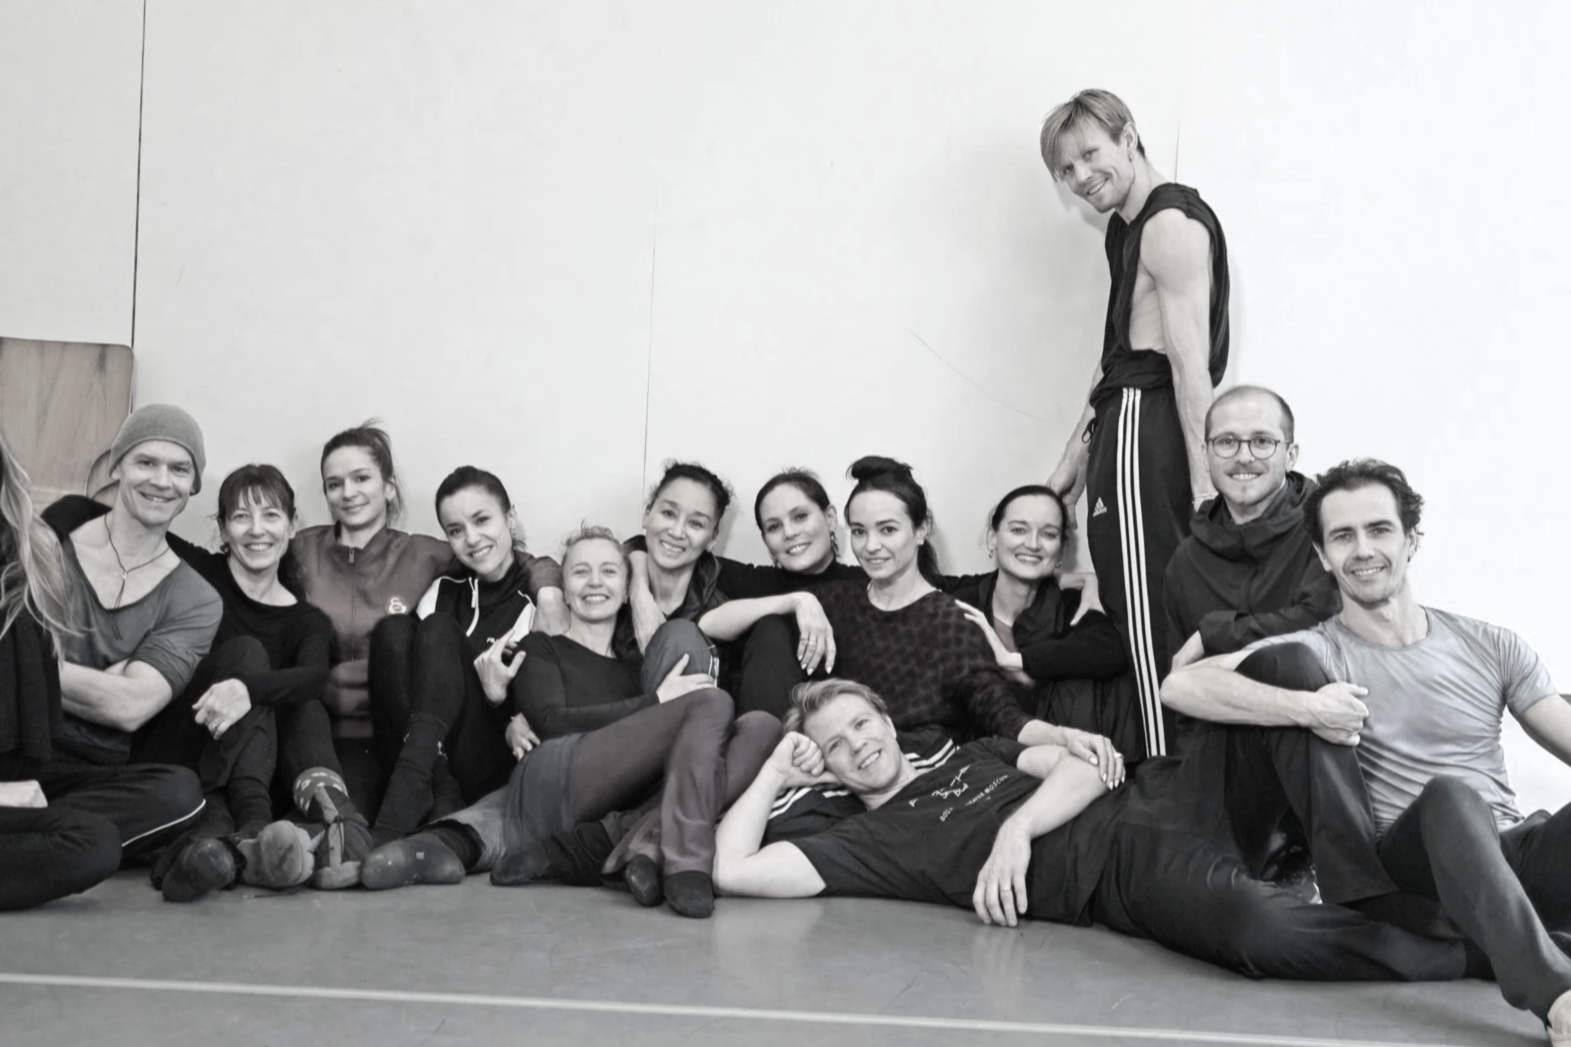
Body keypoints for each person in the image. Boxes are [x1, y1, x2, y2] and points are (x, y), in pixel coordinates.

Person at [713, 680, 1571, 1039]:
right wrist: (772, 767)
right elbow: (733, 870)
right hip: (1119, 865)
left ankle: (1363, 869)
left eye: (862, 724)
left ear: (886, 722)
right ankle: (1481, 941)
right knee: (1255, 932)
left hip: (1165, 792)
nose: (857, 745)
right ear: (819, 761)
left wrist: (1013, 832)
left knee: (1285, 683)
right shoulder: (858, 842)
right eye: (833, 743)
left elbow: (1086, 765)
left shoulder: (966, 753)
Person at [1163, 458, 1571, 1028]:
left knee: (1488, 811)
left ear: (1411, 541)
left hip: (1514, 853)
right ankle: (1557, 998)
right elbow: (1180, 685)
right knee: (1452, 797)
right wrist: (1307, 707)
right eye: (1342, 536)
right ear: (1323, 556)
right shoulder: (1320, 649)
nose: (1363, 550)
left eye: (1379, 530)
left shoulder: (1491, 644)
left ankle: (1517, 939)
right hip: (1417, 866)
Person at [361, 526, 781, 919]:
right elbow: (552, 723)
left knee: (761, 727)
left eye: (609, 571)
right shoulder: (542, 647)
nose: (595, 582)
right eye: (581, 572)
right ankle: (683, 860)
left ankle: (636, 841)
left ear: (626, 590)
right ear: (564, 587)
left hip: (604, 813)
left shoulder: (642, 668)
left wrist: (658, 700)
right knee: (710, 701)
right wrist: (657, 703)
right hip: (551, 777)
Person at [701, 457, 1122, 768]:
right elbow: (709, 623)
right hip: (830, 768)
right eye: (861, 532)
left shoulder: (950, 618)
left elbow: (999, 712)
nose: (871, 546)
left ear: (921, 530)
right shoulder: (839, 599)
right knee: (768, 641)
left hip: (913, 778)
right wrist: (796, 600)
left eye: (887, 530)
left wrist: (1064, 737)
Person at [1039, 88, 1230, 759]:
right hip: (1125, 422)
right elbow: (1113, 356)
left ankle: (1169, 773)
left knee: (1150, 607)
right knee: (1139, 602)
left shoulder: (1166, 224)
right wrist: (1070, 455)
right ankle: (1175, 767)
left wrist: (1209, 487)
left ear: (1129, 136)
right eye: (1065, 170)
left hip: (1144, 429)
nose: (1080, 176)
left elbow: (1187, 366)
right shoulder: (1126, 226)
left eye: (1089, 154)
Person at [292, 423, 566, 814]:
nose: (348, 492)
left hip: (396, 726)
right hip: (331, 724)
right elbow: (242, 561)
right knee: (329, 812)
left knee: (404, 630)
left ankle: (429, 787)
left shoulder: (425, 554)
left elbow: (506, 562)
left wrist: (551, 591)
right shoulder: (299, 550)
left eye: (361, 477)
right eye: (334, 484)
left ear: (389, 487)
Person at [1, 428, 203, 910]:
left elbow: (130, 706)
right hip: (22, 761)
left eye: (178, 468)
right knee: (88, 844)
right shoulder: (62, 529)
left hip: (46, 760)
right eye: (146, 463)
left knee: (174, 796)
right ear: (117, 468)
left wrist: (50, 674)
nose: (161, 481)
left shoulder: (26, 550)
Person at [157, 464, 371, 897]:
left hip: (270, 771)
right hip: (194, 750)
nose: (257, 530)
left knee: (305, 704)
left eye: (271, 515)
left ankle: (327, 822)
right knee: (248, 654)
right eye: (240, 517)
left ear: (293, 526)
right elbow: (117, 518)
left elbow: (313, 678)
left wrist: (247, 691)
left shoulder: (307, 620)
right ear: (222, 529)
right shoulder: (201, 574)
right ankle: (257, 829)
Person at [366, 466, 565, 843]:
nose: (471, 539)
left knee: (439, 629)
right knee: (393, 630)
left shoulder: (540, 595)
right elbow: (401, 682)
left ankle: (412, 791)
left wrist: (499, 702)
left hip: (494, 754)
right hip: (434, 760)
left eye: (482, 520)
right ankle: (434, 791)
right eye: (456, 530)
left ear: (510, 518)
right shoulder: (444, 589)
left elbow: (550, 708)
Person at [948, 484, 1136, 760]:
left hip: (1068, 761)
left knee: (1088, 679)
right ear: (992, 538)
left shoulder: (1074, 604)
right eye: (1018, 530)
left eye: (1048, 534)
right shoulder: (962, 607)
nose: (1033, 544)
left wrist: (1016, 660)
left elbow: (1112, 650)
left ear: (1060, 552)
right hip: (984, 767)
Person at [1164, 386, 1339, 679]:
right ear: (1205, 456)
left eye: (1261, 441)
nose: (1244, 456)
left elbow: (1325, 625)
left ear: (1290, 454)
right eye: (1226, 441)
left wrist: (1216, 633)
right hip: (1219, 721)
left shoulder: (1325, 527)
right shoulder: (1186, 563)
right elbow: (1179, 681)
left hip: (1319, 718)